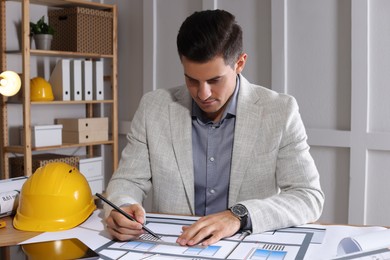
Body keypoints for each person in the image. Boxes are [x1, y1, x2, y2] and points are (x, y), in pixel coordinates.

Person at [104, 9, 324, 247]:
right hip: (174, 247)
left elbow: (308, 197)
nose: (203, 93)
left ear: (240, 63)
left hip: (245, 248)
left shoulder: (280, 111)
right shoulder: (153, 108)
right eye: (192, 79)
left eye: (214, 80)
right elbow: (127, 181)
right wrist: (123, 206)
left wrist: (238, 216)